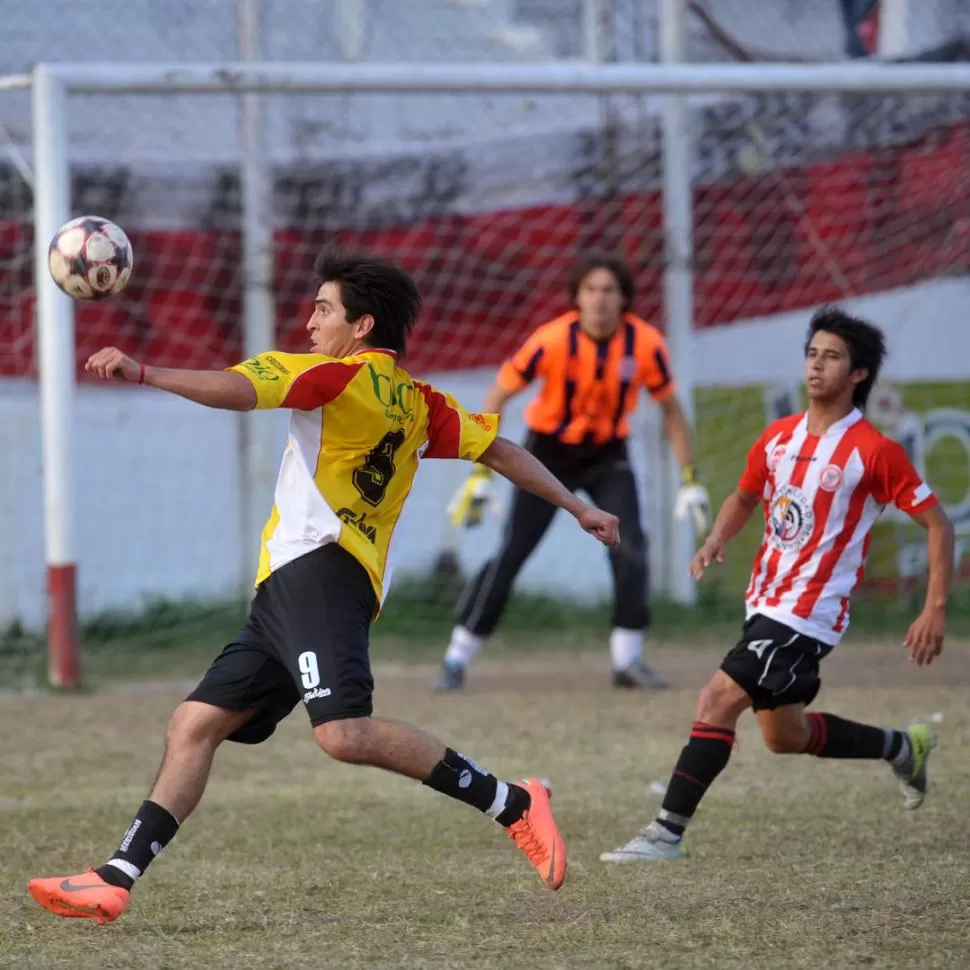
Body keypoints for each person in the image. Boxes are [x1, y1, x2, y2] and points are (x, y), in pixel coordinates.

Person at [27, 249, 621, 924]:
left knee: (343, 734)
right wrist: (577, 506)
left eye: (324, 308)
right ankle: (115, 878)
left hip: (322, 573)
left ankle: (514, 803)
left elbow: (238, 390)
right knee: (193, 724)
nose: (310, 321)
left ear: (362, 326)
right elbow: (502, 450)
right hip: (291, 586)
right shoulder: (424, 402)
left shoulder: (332, 376)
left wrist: (144, 371)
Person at [600, 306, 954, 863]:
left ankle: (666, 833)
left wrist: (934, 609)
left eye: (831, 357)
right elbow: (745, 496)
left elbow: (938, 523)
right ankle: (902, 746)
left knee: (717, 699)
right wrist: (717, 536)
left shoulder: (872, 452)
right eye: (812, 354)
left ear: (858, 374)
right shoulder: (778, 437)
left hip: (808, 613)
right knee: (783, 735)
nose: (816, 366)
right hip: (764, 600)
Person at [437, 251, 709, 692]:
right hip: (548, 453)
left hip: (608, 455)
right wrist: (481, 471)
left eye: (609, 291)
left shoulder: (645, 344)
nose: (600, 299)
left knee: (631, 547)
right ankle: (457, 657)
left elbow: (673, 413)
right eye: (591, 290)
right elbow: (497, 394)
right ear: (577, 298)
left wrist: (690, 478)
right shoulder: (551, 339)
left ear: (624, 299)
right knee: (512, 553)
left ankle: (627, 662)